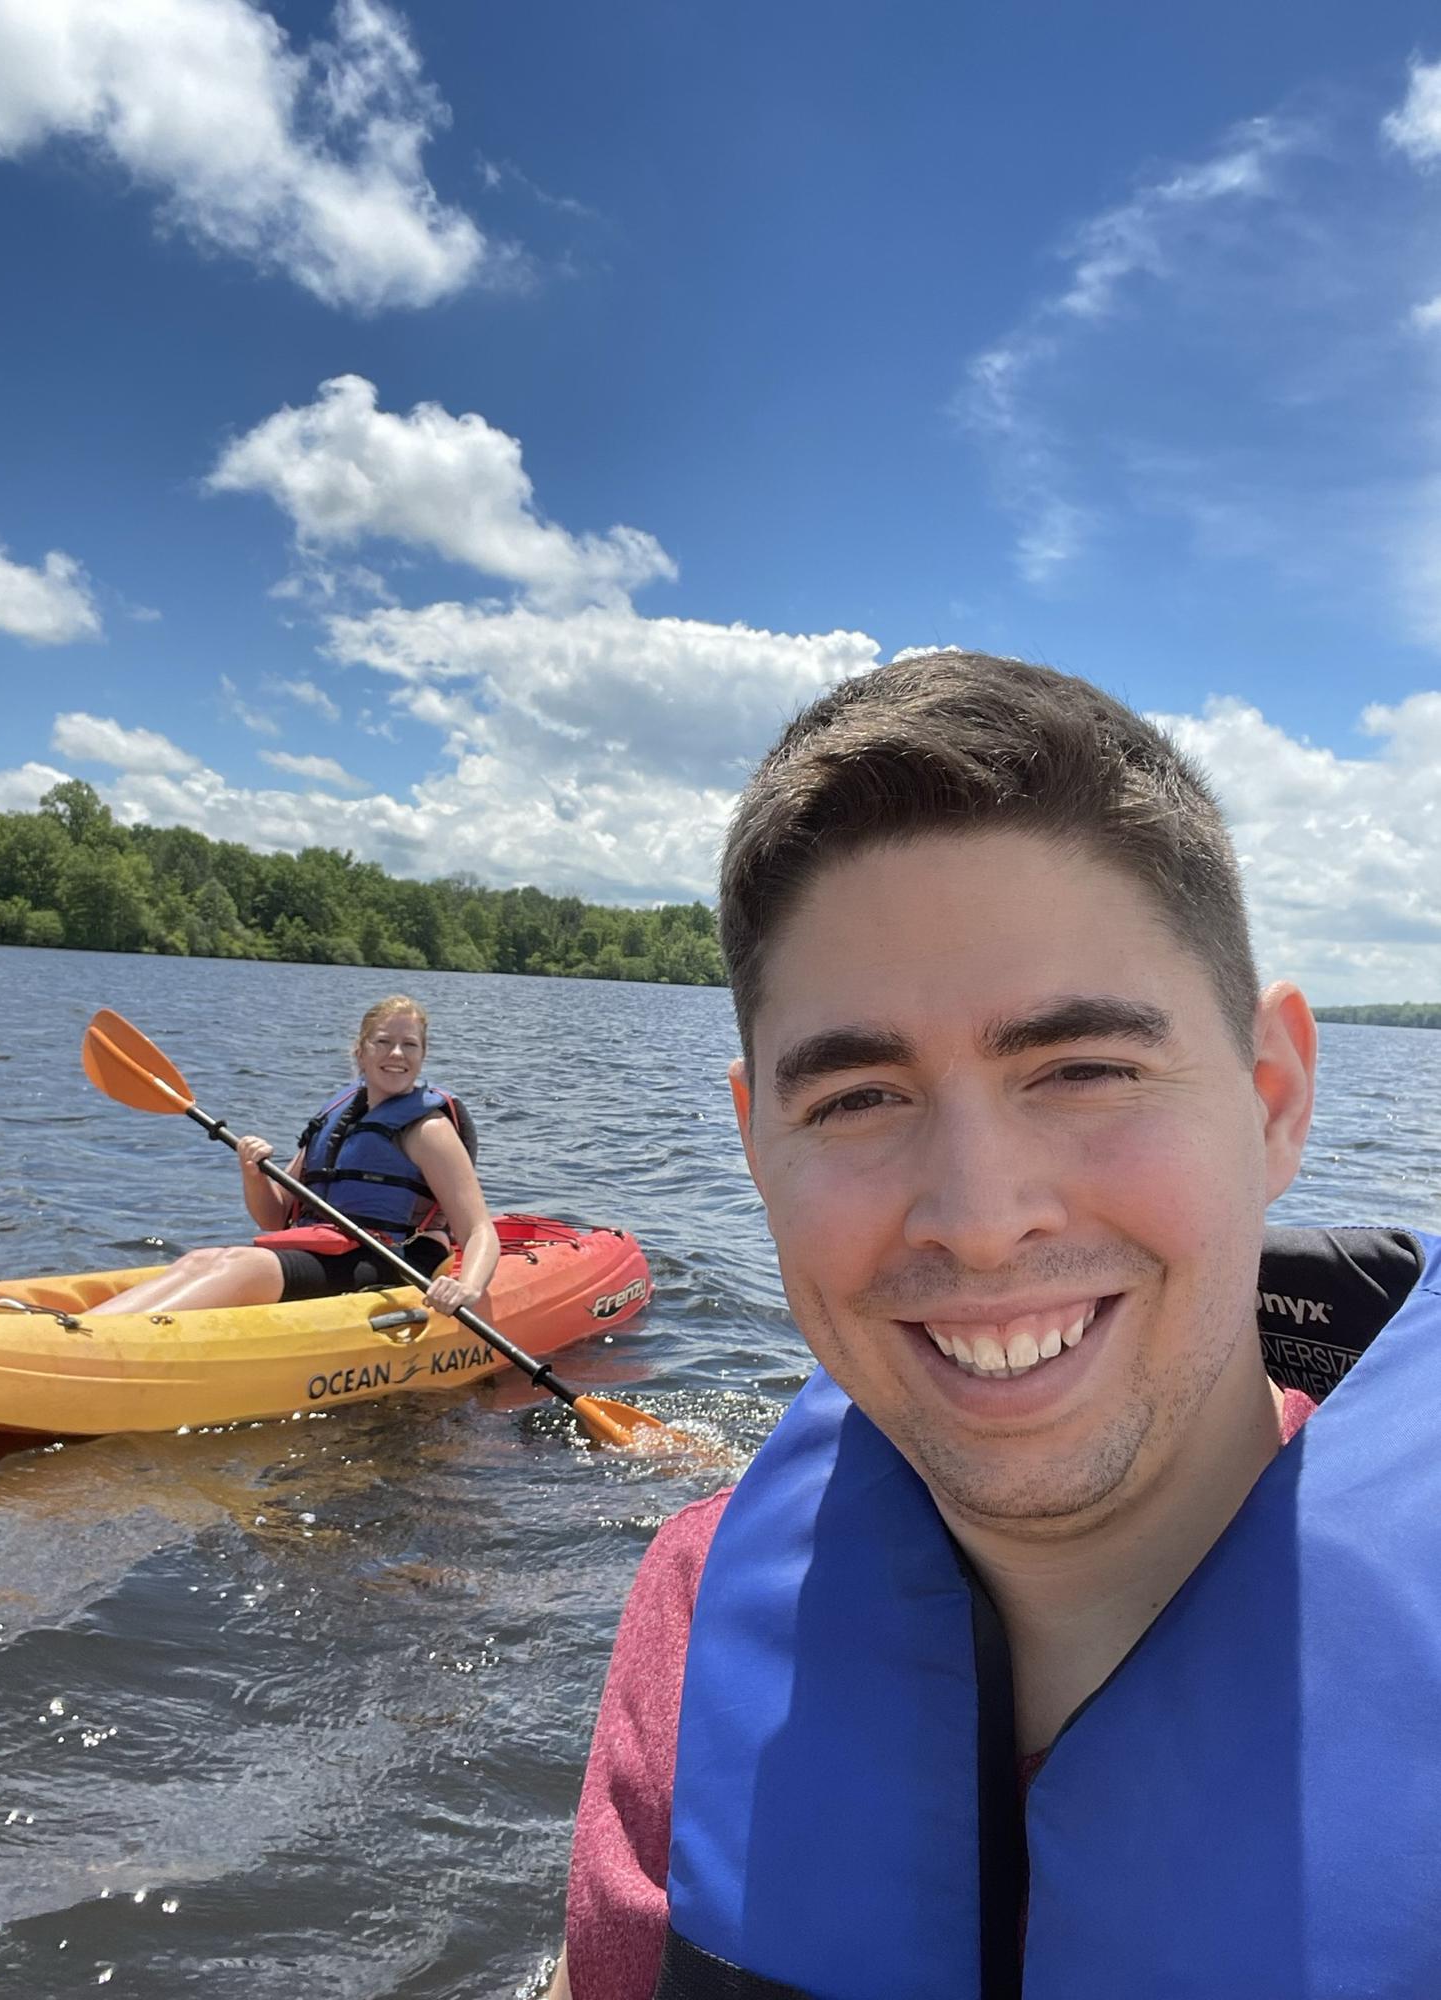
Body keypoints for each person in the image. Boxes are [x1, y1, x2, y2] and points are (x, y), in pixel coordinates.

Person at [547, 651, 1441, 1999]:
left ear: (1272, 1099)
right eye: (856, 1099)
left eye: (1083, 1069)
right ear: (755, 1145)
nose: (976, 1216)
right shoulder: (696, 1612)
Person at [96, 994, 498, 1321]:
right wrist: (252, 1171)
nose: (397, 1053)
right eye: (383, 1042)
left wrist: (469, 1287)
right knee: (202, 1258)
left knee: (244, 1265)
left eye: (409, 1044)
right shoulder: (339, 1118)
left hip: (393, 1258)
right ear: (360, 1052)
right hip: (333, 1249)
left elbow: (479, 1230)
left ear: (422, 1055)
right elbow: (274, 1216)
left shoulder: (429, 1130)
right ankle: (88, 1327)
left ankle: (106, 1339)